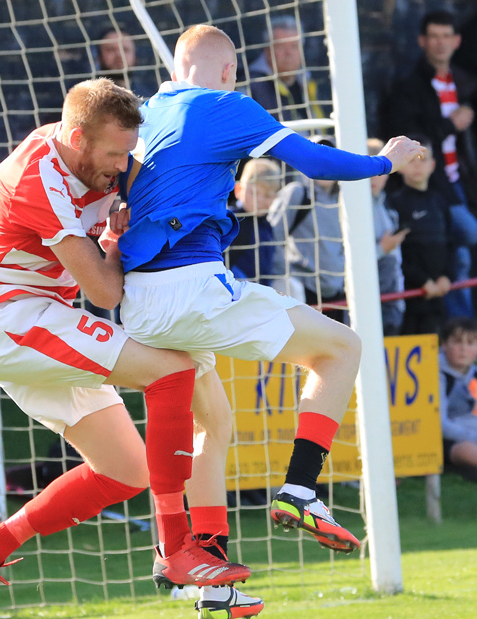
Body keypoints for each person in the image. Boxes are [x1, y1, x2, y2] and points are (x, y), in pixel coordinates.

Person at [115, 25, 424, 582]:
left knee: (214, 424)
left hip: (135, 299)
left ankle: (206, 565)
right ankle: (301, 489)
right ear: (230, 71)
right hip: (192, 289)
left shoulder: (141, 114)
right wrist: (386, 162)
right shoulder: (225, 105)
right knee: (341, 348)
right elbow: (317, 162)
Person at [0, 78, 256, 619]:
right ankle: (175, 548)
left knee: (125, 470)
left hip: (43, 317)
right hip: (8, 319)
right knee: (172, 374)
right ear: (75, 137)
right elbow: (106, 293)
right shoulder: (37, 178)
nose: (121, 166)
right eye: (113, 154)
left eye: (127, 153)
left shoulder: (98, 159)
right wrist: (116, 242)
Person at [383, 10, 477, 319]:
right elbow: (410, 138)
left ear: (457, 40)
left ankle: (462, 333)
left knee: (460, 255)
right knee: (465, 241)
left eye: (446, 36)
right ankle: (460, 330)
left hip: (463, 183)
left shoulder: (465, 84)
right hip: (435, 189)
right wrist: (450, 124)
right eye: (434, 36)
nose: (440, 43)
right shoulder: (408, 87)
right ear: (422, 41)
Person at [268, 135, 346, 321]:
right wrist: (286, 279)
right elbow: (271, 238)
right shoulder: (297, 193)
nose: (326, 163)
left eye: (330, 156)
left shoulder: (344, 199)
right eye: (318, 156)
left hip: (338, 290)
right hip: (303, 290)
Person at [387, 140, 456, 336]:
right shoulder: (393, 203)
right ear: (399, 166)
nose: (418, 165)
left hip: (438, 296)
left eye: (423, 160)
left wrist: (447, 277)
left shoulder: (439, 201)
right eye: (411, 160)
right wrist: (421, 281)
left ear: (433, 165)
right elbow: (396, 252)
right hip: (407, 299)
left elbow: (450, 242)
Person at [247, 16, 325, 123]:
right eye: (280, 46)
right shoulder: (250, 88)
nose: (288, 53)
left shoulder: (309, 82)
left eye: (294, 46)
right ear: (268, 51)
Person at [367, 137, 408, 336]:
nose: (375, 177)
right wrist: (381, 249)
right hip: (362, 304)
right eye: (370, 170)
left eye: (381, 171)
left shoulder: (389, 209)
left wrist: (399, 300)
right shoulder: (345, 209)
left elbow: (395, 259)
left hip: (391, 304)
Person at [226, 158, 280, 283]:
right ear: (238, 189)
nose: (259, 200)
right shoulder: (231, 220)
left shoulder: (266, 226)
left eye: (267, 195)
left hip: (261, 290)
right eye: (254, 193)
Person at [438, 317, 477, 479]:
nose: (463, 349)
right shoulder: (435, 374)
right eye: (457, 342)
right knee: (468, 451)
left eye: (470, 343)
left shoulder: (474, 373)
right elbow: (440, 424)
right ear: (444, 345)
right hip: (450, 440)